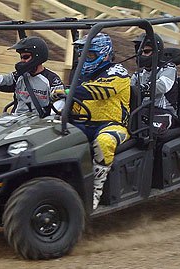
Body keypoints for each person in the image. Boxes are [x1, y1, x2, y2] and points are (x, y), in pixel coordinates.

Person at [73, 33, 131, 209]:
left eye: (89, 55)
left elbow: (99, 91)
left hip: (113, 124)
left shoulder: (118, 72)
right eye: (82, 55)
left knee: (104, 142)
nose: (84, 59)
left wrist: (68, 93)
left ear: (104, 53)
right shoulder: (82, 75)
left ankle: (95, 190)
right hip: (85, 122)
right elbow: (77, 100)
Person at [0, 36, 64, 117]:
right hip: (15, 121)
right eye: (21, 57)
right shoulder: (18, 76)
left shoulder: (52, 80)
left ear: (37, 56)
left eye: (26, 57)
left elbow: (57, 110)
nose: (22, 61)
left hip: (37, 127)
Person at [131, 33, 179, 133]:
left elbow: (162, 86)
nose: (141, 55)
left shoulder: (168, 68)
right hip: (141, 111)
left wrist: (142, 88)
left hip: (164, 112)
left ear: (157, 52)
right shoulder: (138, 74)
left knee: (148, 132)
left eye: (146, 51)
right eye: (139, 51)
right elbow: (129, 90)